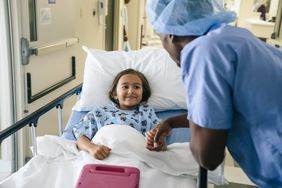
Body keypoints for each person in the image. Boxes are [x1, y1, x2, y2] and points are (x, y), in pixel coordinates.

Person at [145, 0, 282, 187]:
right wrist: (172, 122)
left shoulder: (203, 52)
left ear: (171, 33)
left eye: (160, 38)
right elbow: (230, 108)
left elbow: (207, 156)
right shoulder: (237, 37)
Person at [72, 68, 165, 160]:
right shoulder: (100, 112)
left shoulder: (147, 113)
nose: (131, 91)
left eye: (136, 87)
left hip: (134, 158)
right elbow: (81, 138)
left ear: (143, 93)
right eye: (125, 87)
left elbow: (160, 141)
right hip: (103, 157)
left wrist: (154, 139)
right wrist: (91, 148)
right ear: (114, 94)